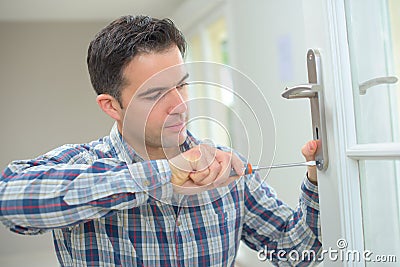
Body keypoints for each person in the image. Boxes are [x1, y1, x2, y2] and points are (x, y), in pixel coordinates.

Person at [0, 15, 322, 266]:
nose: (180, 105)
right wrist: (167, 175)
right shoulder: (82, 165)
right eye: (155, 95)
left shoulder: (223, 168)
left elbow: (294, 250)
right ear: (111, 105)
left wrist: (317, 182)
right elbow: (10, 200)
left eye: (182, 85)